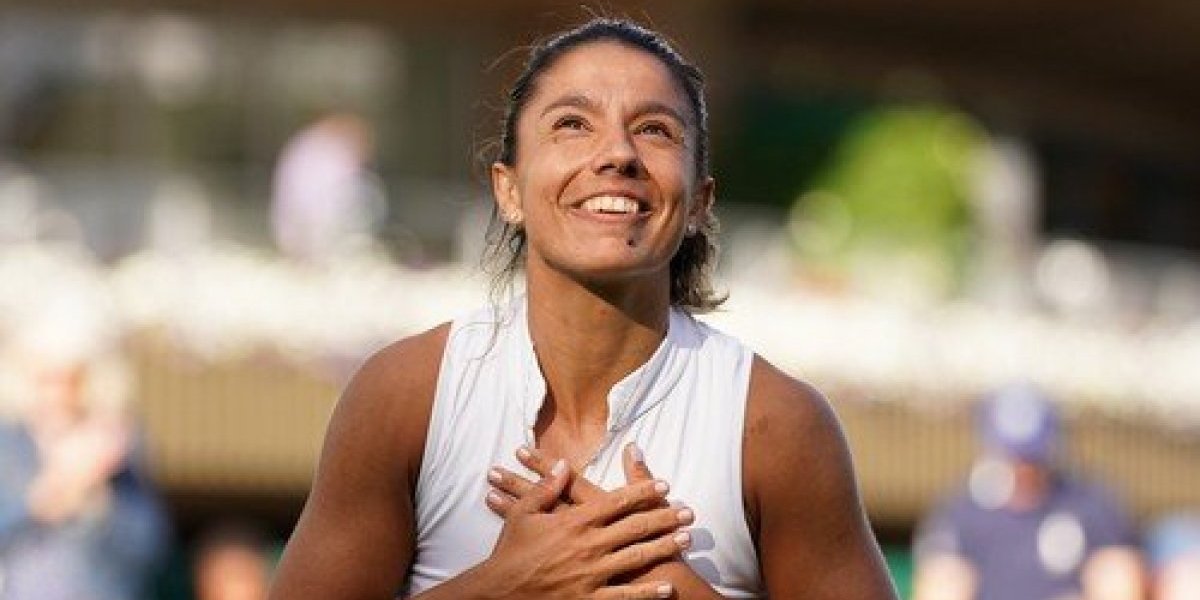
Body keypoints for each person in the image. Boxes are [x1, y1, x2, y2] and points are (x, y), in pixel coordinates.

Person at [270, 18, 897, 599]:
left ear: (701, 201)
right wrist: (505, 586)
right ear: (508, 190)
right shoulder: (406, 395)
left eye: (655, 129)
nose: (617, 154)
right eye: (573, 123)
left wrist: (662, 585)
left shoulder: (776, 426)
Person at [0, 297, 170, 600]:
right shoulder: (8, 446)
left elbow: (150, 549)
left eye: (70, 381)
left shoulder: (116, 450)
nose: (57, 395)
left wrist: (98, 499)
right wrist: (42, 501)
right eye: (46, 380)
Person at [913, 383, 1138, 600]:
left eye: (1032, 457)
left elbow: (1119, 583)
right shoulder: (962, 514)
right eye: (1014, 456)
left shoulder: (1091, 507)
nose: (1023, 467)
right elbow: (941, 585)